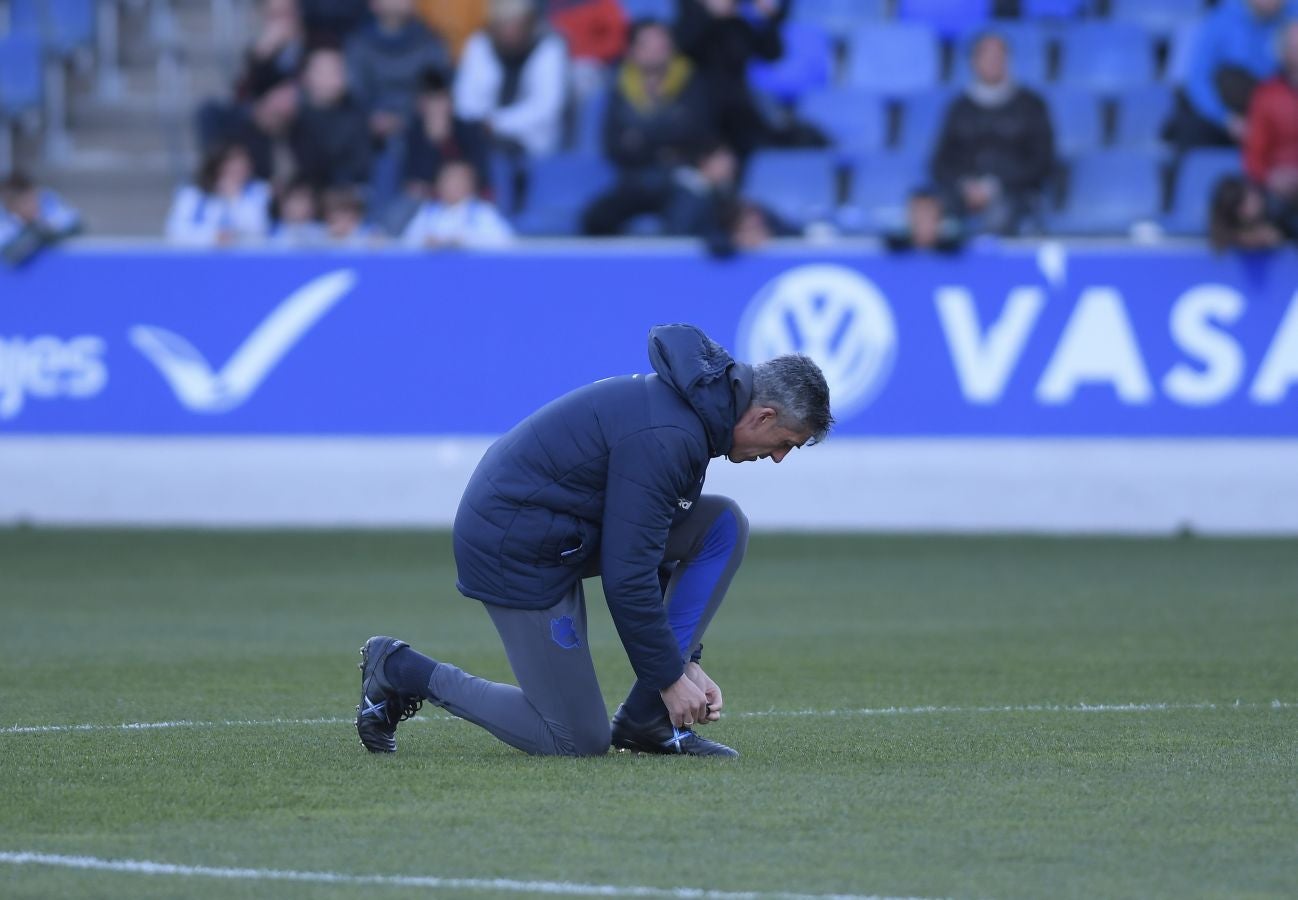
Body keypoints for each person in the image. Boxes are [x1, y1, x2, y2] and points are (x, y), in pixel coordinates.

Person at [354, 324, 833, 758]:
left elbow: (653, 539)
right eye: (785, 444)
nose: (777, 459)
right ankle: (398, 669)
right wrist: (668, 677)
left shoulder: (695, 416)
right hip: (513, 545)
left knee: (721, 526)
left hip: (560, 530)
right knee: (575, 740)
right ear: (764, 416)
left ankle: (647, 721)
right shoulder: (672, 434)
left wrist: (684, 664)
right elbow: (629, 574)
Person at [581, 18, 714, 236]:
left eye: (661, 44)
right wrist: (666, 136)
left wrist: (641, 137)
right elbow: (613, 144)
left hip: (679, 177)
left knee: (687, 216)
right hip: (633, 179)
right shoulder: (619, 87)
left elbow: (697, 136)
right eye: (647, 45)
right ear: (632, 50)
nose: (655, 51)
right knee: (595, 218)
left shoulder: (692, 81)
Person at [930, 31, 1054, 236]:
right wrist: (965, 186)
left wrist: (995, 186)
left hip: (1015, 193)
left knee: (1000, 216)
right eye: (986, 56)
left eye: (998, 56)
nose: (992, 62)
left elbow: (1042, 161)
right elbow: (939, 163)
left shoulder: (1031, 106)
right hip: (963, 194)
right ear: (973, 61)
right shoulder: (959, 108)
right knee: (932, 214)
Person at [1166, 0, 1296, 154]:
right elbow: (1198, 81)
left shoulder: (1292, 18)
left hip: (1270, 109)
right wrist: (1226, 119)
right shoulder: (1220, 20)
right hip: (1225, 111)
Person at [673, 0, 789, 160]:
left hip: (739, 107)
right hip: (701, 108)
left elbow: (773, 53)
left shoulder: (739, 23)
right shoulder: (689, 15)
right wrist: (709, 15)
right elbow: (682, 48)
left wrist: (766, 18)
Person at [453, 0, 569, 158]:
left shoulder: (549, 46)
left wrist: (497, 123)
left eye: (516, 22)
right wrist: (483, 124)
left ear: (528, 21)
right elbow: (464, 100)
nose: (510, 31)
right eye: (504, 23)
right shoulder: (480, 43)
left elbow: (547, 107)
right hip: (481, 137)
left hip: (532, 143)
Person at [345, 0, 451, 146]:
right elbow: (355, 94)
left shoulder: (430, 42)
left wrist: (405, 118)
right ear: (373, 4)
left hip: (420, 130)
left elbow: (437, 88)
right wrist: (372, 117)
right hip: (369, 134)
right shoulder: (358, 45)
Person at [291, 47, 373, 188]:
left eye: (339, 69)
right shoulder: (291, 116)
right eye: (326, 71)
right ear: (305, 76)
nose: (336, 75)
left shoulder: (356, 117)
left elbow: (359, 169)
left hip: (343, 197)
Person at [1244, 20, 1298, 235]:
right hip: (1277, 191)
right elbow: (1254, 155)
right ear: (1284, 53)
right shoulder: (1267, 95)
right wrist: (1270, 178)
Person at [164, 143, 273, 245]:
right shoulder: (192, 194)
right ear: (217, 166)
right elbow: (174, 232)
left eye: (242, 165)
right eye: (231, 164)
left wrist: (234, 198)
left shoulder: (260, 191)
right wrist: (212, 237)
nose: (237, 169)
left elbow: (260, 229)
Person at [400, 158, 514, 247]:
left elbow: (504, 244)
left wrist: (464, 242)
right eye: (448, 180)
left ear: (470, 184)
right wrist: (426, 242)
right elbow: (407, 242)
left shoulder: (483, 212)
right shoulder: (428, 212)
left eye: (458, 180)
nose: (452, 185)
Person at [0, 172, 82, 266]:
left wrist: (46, 232)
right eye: (26, 202)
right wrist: (35, 234)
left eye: (34, 198)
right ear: (11, 205)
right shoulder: (4, 220)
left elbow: (75, 225)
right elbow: (10, 257)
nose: (33, 205)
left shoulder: (47, 200)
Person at [235, 0, 307, 101]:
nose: (282, 22)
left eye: (287, 13)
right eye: (275, 15)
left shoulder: (312, 44)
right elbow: (242, 95)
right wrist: (261, 57)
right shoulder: (257, 51)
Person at [1208, 175, 1287, 250]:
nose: (1253, 200)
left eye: (1249, 194)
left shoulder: (1278, 207)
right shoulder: (1227, 236)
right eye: (1239, 205)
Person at [884, 187, 965, 254]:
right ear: (909, 216)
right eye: (918, 211)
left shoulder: (956, 252)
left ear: (940, 216)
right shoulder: (891, 251)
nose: (923, 217)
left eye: (928, 211)